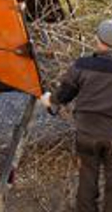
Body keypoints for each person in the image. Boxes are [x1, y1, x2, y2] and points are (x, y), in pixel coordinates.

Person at [41, 19, 112, 212]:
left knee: (87, 180)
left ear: (98, 40)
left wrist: (50, 100)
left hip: (87, 134)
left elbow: (64, 94)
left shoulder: (83, 65)